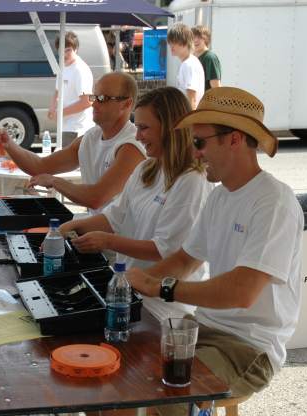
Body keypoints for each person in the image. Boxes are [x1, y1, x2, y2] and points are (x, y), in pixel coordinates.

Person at [103, 87, 303, 416]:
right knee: (113, 383)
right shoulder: (220, 196)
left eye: (200, 141)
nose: (193, 152)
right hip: (205, 330)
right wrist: (136, 280)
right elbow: (186, 259)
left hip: (249, 349)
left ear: (235, 139)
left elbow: (243, 292)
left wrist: (165, 288)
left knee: (129, 401)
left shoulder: (273, 201)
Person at [58, 86, 210, 321]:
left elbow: (166, 251)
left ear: (171, 128)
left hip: (163, 307)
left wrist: (108, 241)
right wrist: (70, 227)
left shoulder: (191, 182)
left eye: (144, 128)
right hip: (131, 289)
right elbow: (114, 217)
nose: (138, 137)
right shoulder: (146, 169)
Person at [0, 71, 145, 213]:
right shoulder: (90, 138)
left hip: (122, 240)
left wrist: (54, 181)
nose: (94, 104)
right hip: (99, 233)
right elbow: (40, 166)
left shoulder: (130, 146)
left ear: (126, 104)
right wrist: (9, 145)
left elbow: (96, 198)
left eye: (103, 99)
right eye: (94, 97)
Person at [48, 31, 94, 147]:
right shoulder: (62, 67)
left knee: (67, 164)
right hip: (65, 127)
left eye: (68, 50)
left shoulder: (80, 69)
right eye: (61, 50)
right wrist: (52, 108)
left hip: (77, 128)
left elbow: (88, 101)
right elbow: (58, 90)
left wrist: (60, 113)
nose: (64, 54)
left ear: (75, 49)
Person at [166, 23, 204, 110]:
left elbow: (192, 99)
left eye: (175, 42)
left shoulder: (189, 64)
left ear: (185, 43)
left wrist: (191, 122)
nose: (171, 46)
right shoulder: (188, 62)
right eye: (170, 42)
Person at [192, 25, 222, 92]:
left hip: (206, 101)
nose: (195, 40)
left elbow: (216, 88)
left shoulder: (210, 58)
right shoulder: (192, 58)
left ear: (206, 39)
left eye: (199, 37)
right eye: (193, 37)